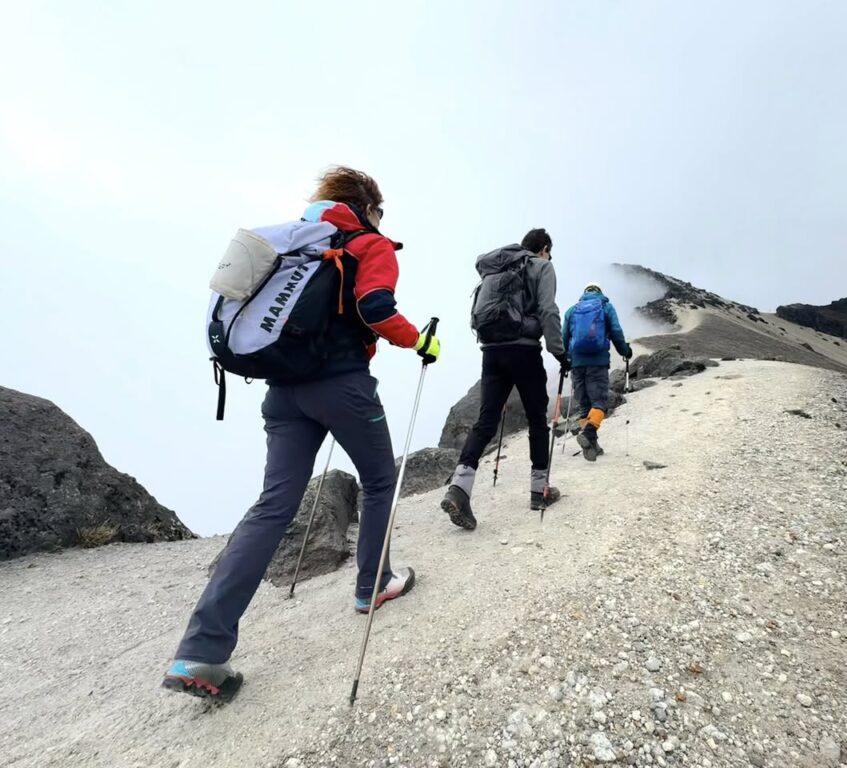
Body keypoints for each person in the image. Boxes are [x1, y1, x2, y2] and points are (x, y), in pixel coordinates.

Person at [163, 166, 440, 702]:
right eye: (380, 211)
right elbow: (376, 308)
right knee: (380, 481)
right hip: (341, 386)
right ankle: (373, 585)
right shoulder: (368, 243)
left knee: (273, 506)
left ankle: (201, 651)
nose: (382, 220)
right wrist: (418, 342)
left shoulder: (294, 246)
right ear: (367, 208)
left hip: (282, 393)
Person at [440, 228, 568, 530]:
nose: (549, 257)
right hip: (523, 351)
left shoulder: (498, 267)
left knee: (486, 421)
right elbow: (548, 310)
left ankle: (459, 488)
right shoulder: (542, 267)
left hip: (492, 351)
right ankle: (539, 490)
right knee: (537, 419)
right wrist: (560, 352)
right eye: (549, 252)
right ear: (544, 249)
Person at [562, 282, 631, 461]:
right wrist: (625, 351)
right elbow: (616, 331)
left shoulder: (572, 310)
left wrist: (565, 360)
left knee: (585, 405)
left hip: (577, 364)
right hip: (597, 363)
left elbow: (564, 338)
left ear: (584, 293)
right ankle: (589, 433)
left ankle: (592, 446)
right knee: (599, 403)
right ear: (599, 291)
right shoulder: (606, 307)